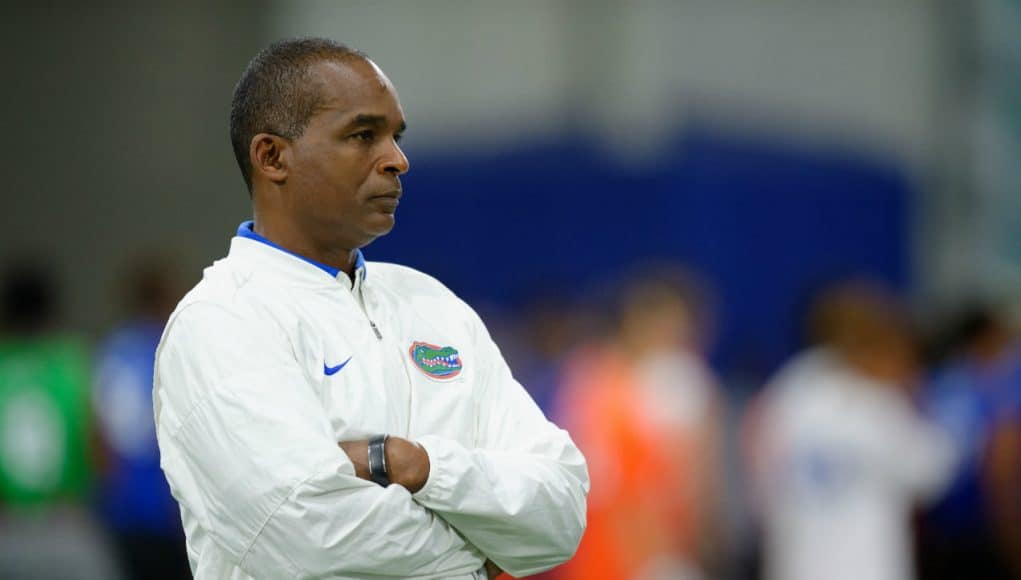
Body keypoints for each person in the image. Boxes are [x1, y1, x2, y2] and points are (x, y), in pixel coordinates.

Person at [153, 38, 589, 580]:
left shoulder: (433, 305)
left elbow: (563, 508)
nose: (397, 159)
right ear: (272, 157)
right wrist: (480, 551)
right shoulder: (222, 320)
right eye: (364, 136)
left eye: (395, 137)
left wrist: (414, 464)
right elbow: (309, 535)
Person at [745, 281, 955, 580]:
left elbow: (760, 498)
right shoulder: (873, 398)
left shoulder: (780, 397)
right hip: (866, 568)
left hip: (795, 567)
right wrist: (915, 397)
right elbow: (931, 472)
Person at [554, 269, 724, 580]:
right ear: (636, 321)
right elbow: (615, 490)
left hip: (666, 546)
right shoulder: (600, 384)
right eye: (668, 325)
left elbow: (692, 485)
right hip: (613, 553)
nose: (677, 337)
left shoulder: (677, 385)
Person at [93, 255, 189, 579]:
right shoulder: (170, 350)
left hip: (121, 511)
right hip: (167, 510)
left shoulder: (110, 352)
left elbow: (98, 437)